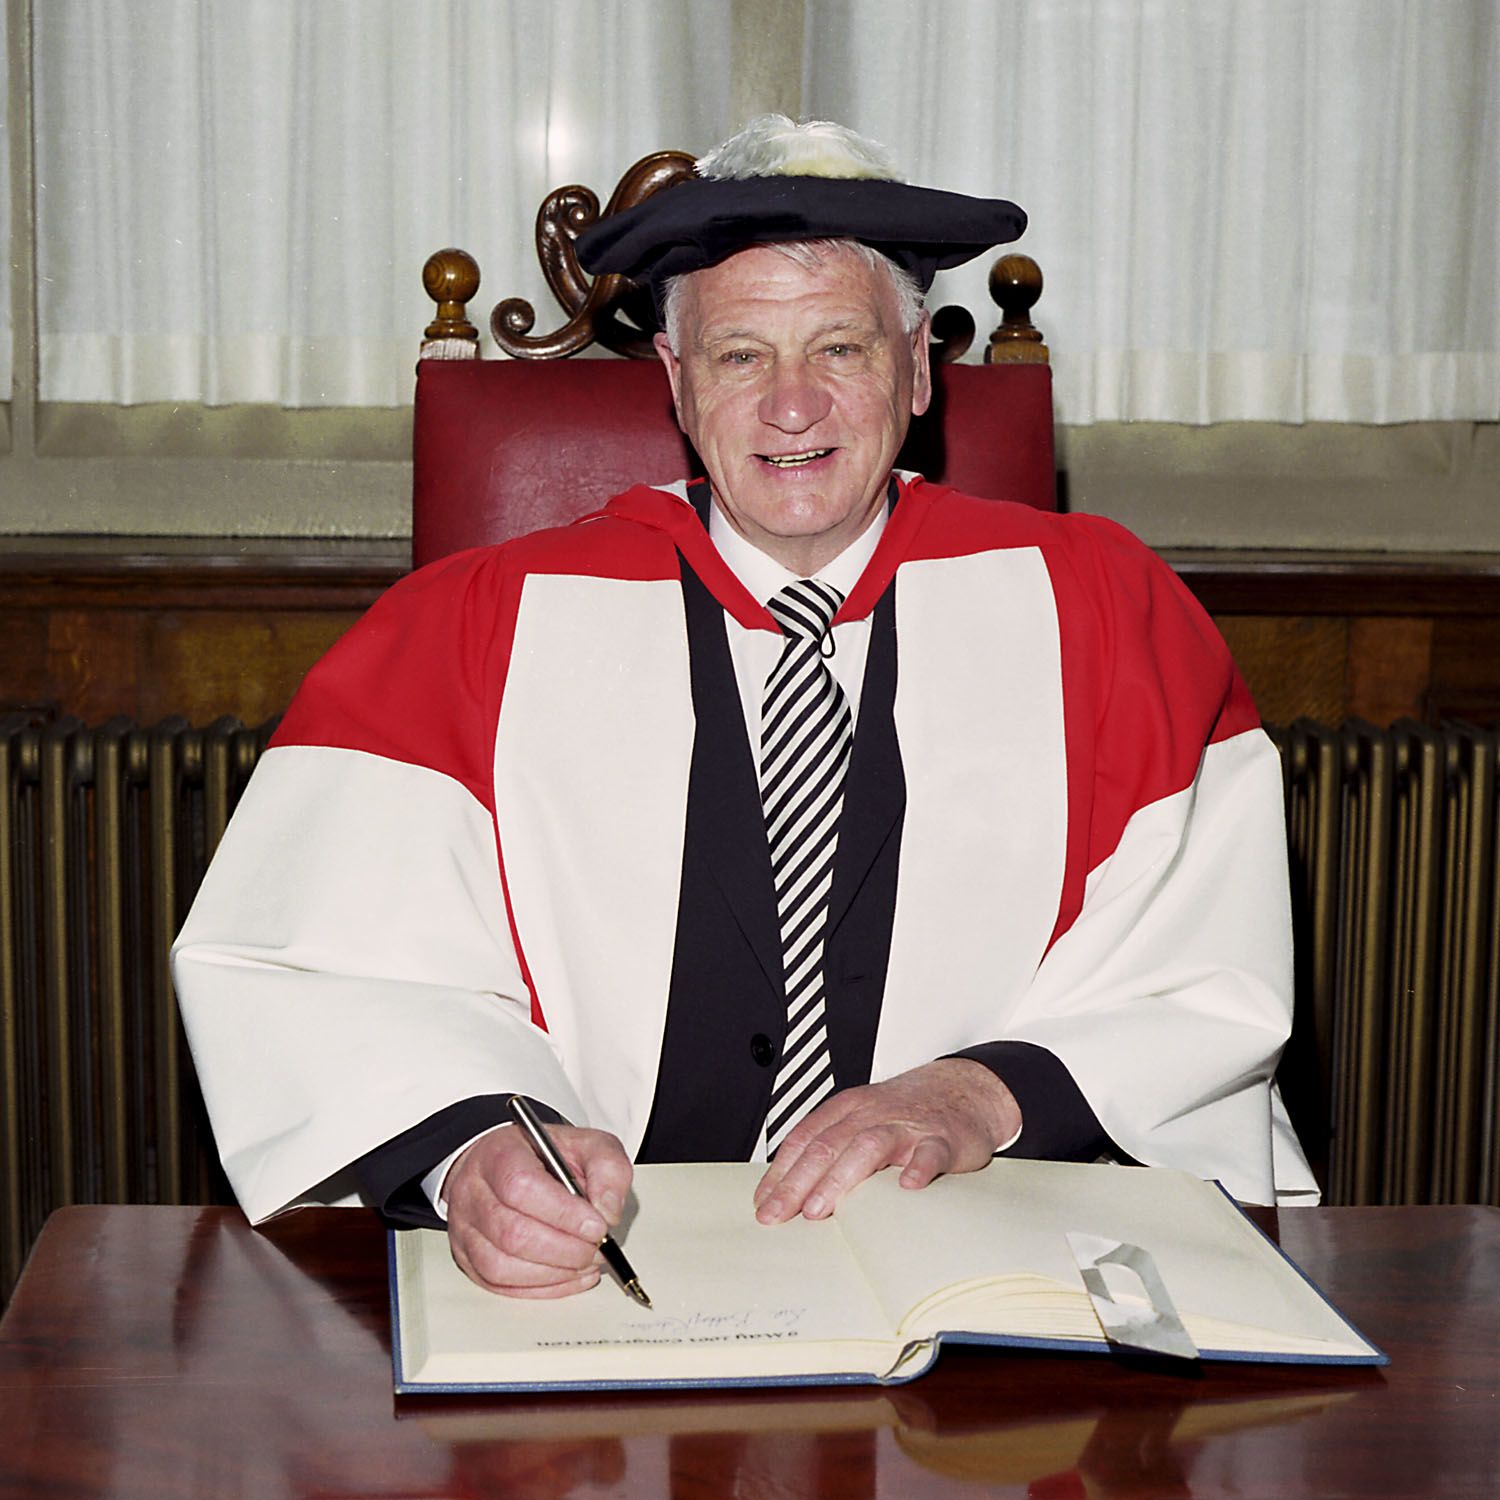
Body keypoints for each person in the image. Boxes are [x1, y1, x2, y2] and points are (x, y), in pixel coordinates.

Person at [172, 116, 1317, 1302]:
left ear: (919, 369)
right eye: (738, 358)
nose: (792, 406)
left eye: (840, 348)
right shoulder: (469, 629)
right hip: (608, 1287)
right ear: (674, 381)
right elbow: (315, 962)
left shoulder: (1106, 611)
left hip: (989, 1259)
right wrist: (474, 1150)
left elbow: (1203, 967)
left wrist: (983, 1091)